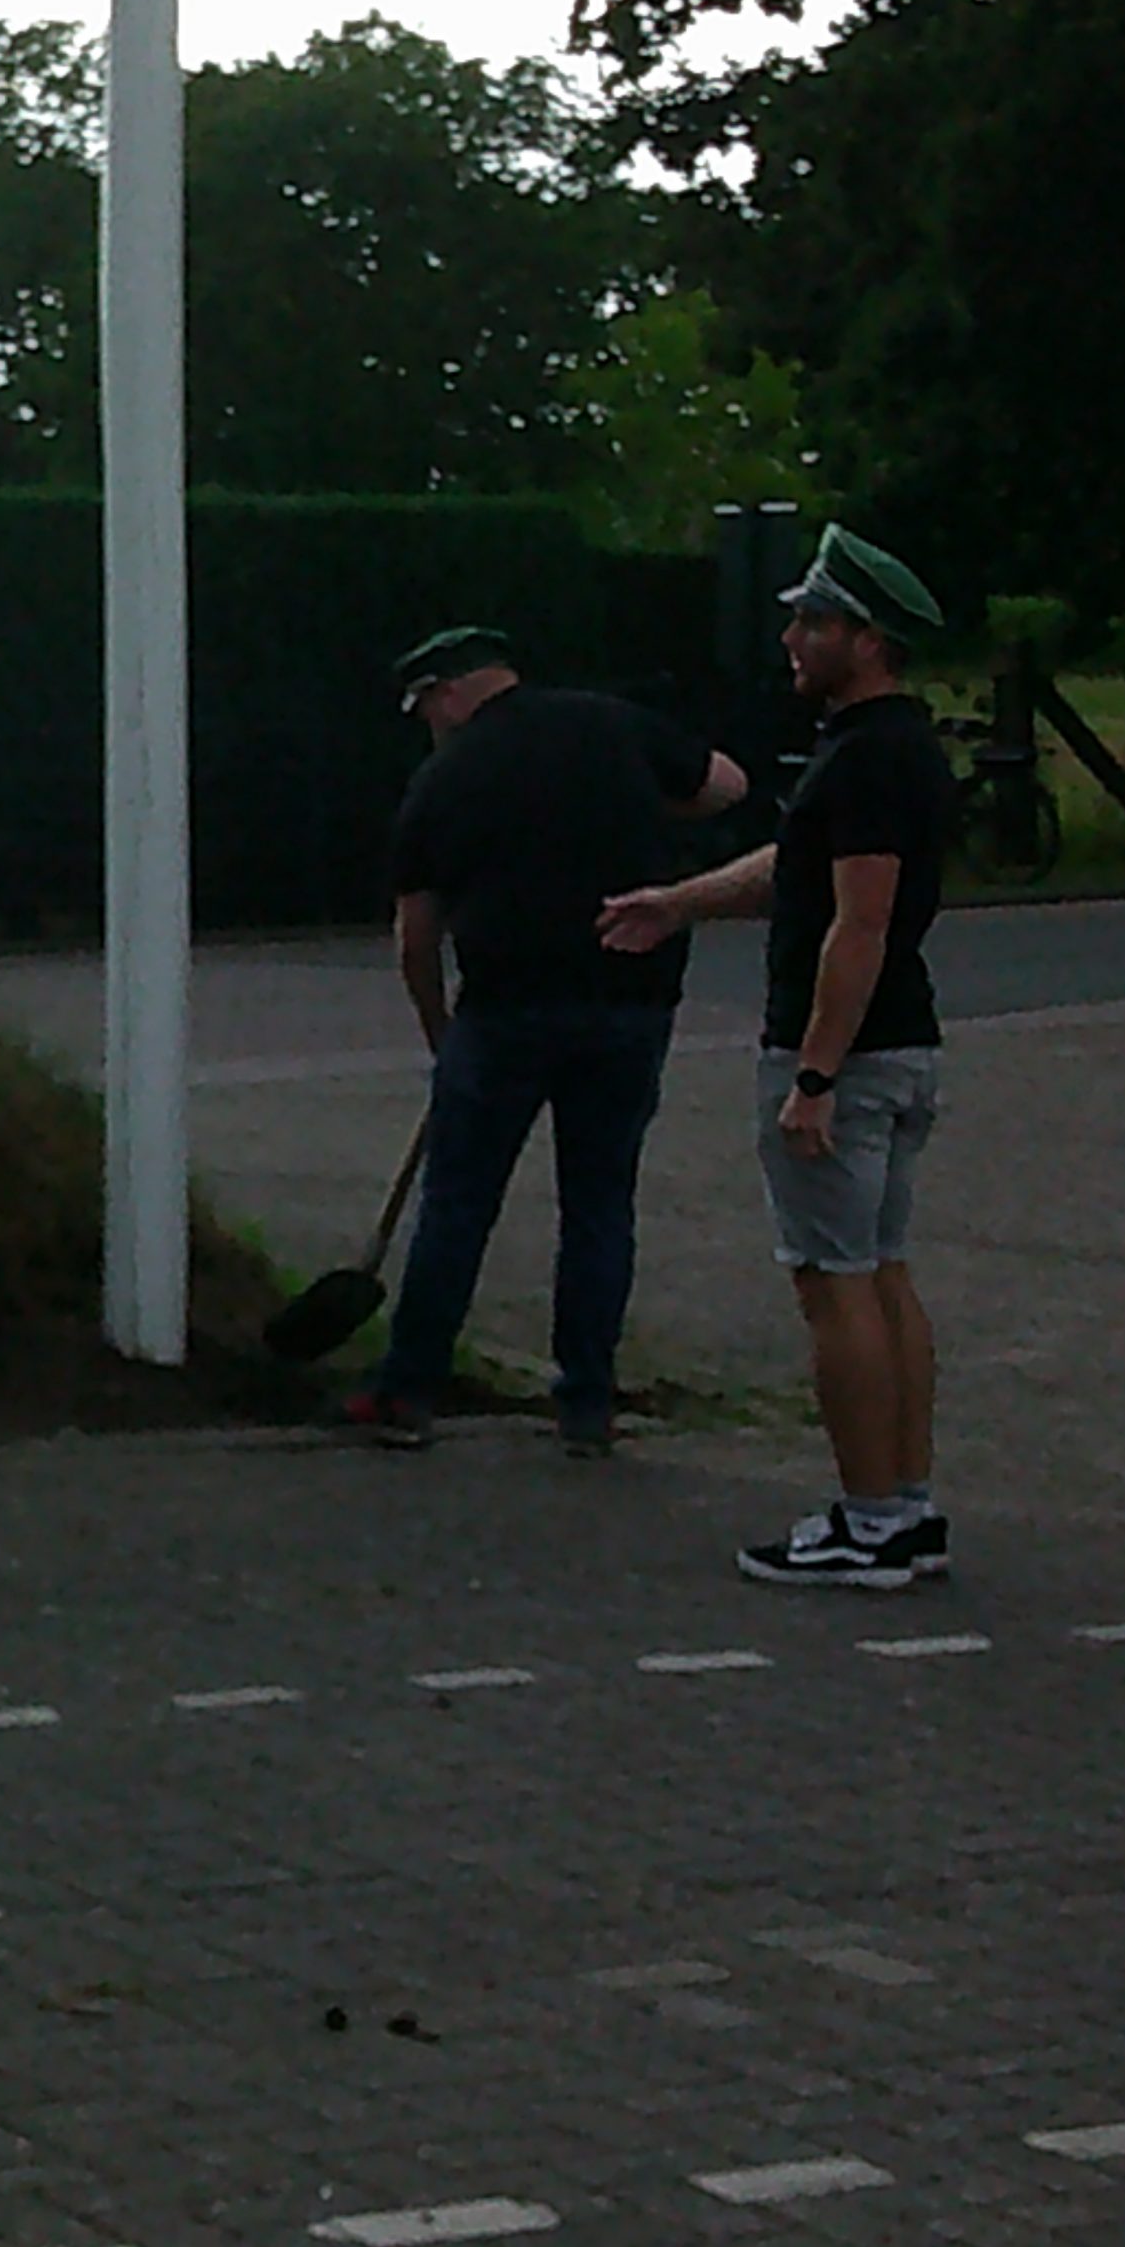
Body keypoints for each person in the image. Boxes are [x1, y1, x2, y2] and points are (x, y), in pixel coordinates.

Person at [596, 523, 956, 1590]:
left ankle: (869, 1520)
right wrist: (677, 902)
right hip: (899, 1047)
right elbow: (793, 866)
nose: (791, 640)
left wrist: (814, 1076)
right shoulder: (880, 747)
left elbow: (859, 923)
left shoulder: (870, 758)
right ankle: (905, 1507)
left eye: (814, 623)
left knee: (832, 1283)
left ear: (869, 639)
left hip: (848, 1058)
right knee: (878, 1272)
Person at [346, 623, 747, 1456]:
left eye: (426, 708)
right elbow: (728, 786)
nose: (429, 725)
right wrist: (651, 803)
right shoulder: (614, 723)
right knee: (599, 1203)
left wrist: (440, 1033)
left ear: (449, 692)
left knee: (459, 1203)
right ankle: (587, 1405)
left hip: (504, 1012)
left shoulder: (443, 779)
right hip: (630, 1003)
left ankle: (408, 1390)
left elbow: (415, 939)